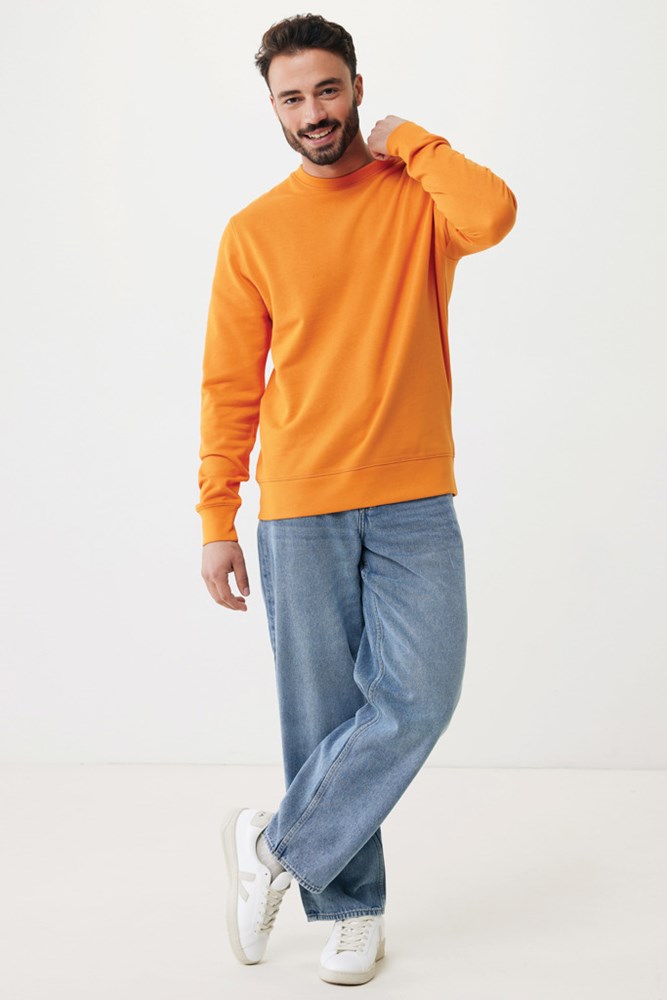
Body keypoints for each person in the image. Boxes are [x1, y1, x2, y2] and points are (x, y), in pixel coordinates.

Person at [197, 12, 517, 987]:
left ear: (357, 88)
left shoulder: (416, 198)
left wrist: (410, 139)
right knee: (323, 713)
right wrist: (216, 517)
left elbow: (494, 214)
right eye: (291, 97)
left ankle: (274, 847)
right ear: (272, 107)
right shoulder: (254, 231)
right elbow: (228, 385)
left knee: (419, 698)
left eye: (327, 90)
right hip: (300, 505)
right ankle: (350, 911)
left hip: (415, 496)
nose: (312, 113)